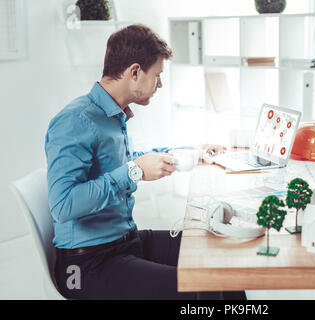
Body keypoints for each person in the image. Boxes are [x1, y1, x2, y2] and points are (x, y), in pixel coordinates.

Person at [45, 24, 245, 300]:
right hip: (87, 266)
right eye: (157, 75)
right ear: (135, 72)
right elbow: (63, 205)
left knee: (220, 255)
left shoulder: (111, 115)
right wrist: (135, 172)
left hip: (126, 242)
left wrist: (192, 152)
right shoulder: (75, 121)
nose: (160, 84)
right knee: (201, 286)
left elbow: (127, 160)